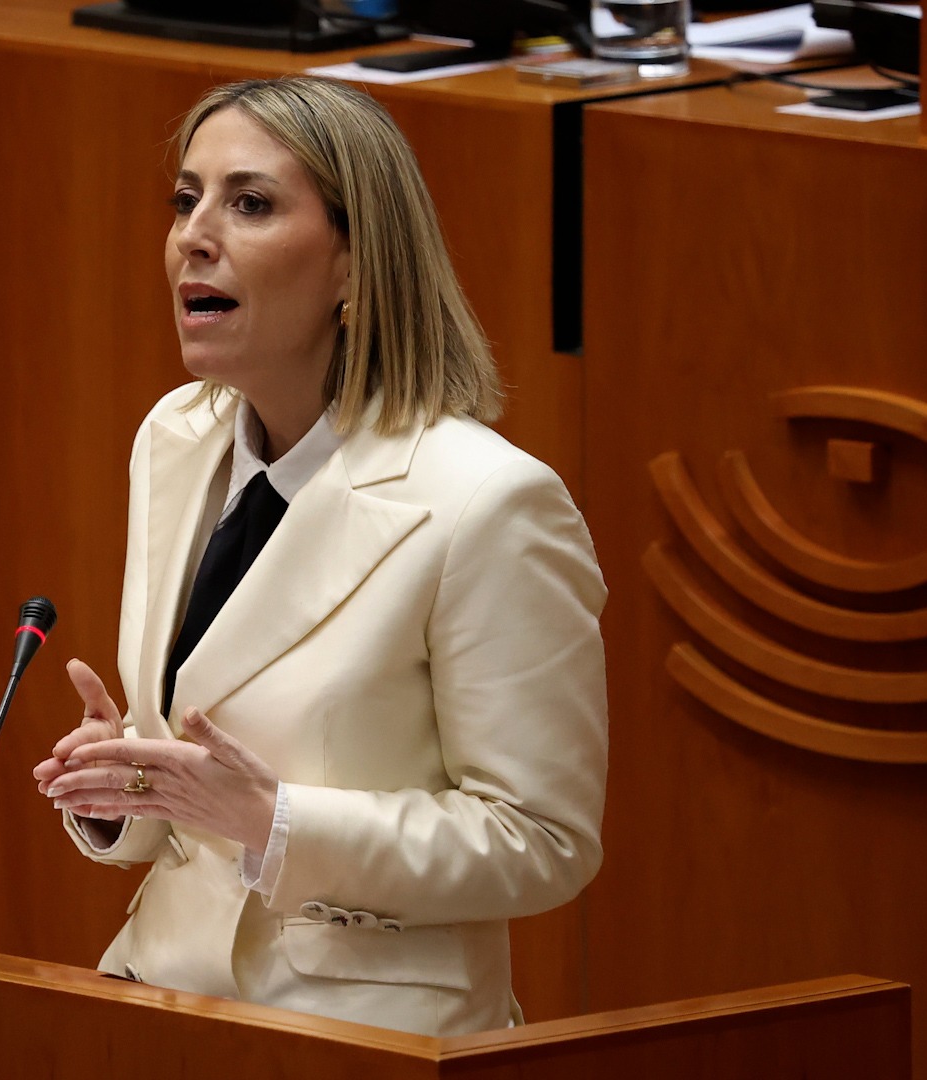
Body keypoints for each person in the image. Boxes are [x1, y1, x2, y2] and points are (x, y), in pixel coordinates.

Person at [32, 76, 607, 1038]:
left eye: (248, 203)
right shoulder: (177, 439)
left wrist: (277, 822)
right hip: (155, 1006)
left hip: (363, 1042)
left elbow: (541, 842)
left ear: (354, 264)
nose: (193, 237)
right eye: (186, 200)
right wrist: (127, 787)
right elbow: (196, 793)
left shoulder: (485, 503)